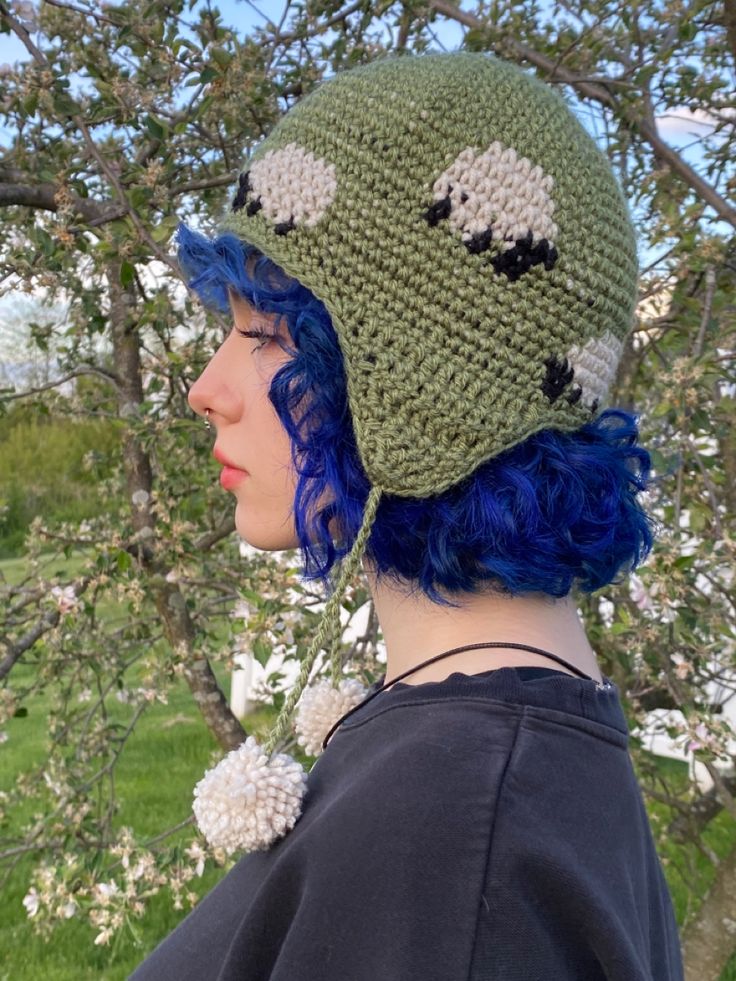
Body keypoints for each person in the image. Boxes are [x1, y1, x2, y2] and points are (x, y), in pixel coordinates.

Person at [130, 51, 684, 979]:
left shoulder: (450, 850)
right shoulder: (505, 768)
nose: (204, 389)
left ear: (427, 393)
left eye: (263, 333)